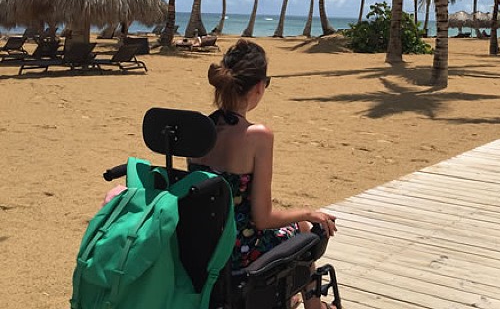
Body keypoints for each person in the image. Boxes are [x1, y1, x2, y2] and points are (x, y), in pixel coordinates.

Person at [105, 39, 338, 309]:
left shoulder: (198, 130)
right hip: (237, 253)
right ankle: (315, 307)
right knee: (305, 229)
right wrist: (308, 213)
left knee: (297, 225)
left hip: (197, 247)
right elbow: (262, 219)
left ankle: (293, 298)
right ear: (260, 86)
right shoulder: (258, 135)